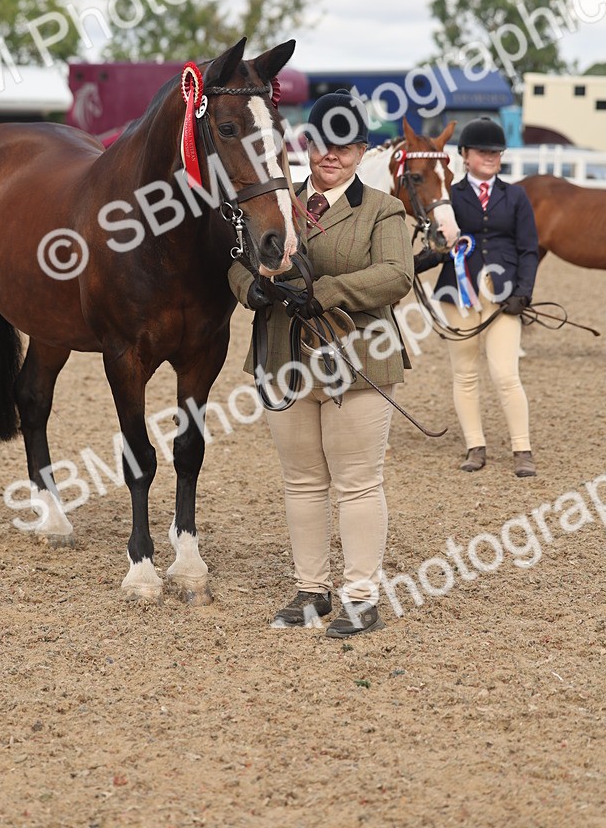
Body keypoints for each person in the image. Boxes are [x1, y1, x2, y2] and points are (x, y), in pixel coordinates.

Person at [228, 89, 413, 636]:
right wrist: (249, 290)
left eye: (345, 148)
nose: (331, 157)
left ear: (361, 152)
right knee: (302, 480)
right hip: (284, 355)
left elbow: (396, 275)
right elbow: (237, 262)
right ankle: (311, 590)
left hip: (357, 359)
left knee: (357, 481)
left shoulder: (383, 208)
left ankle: (360, 596)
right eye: (322, 145)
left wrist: (328, 291)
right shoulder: (274, 200)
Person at [414, 117, 540, 478]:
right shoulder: (450, 195)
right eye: (483, 151)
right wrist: (408, 267)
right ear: (465, 155)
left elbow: (528, 249)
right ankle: (475, 445)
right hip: (458, 293)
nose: (491, 156)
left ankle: (522, 448)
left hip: (503, 299)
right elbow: (441, 247)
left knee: (505, 374)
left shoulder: (515, 196)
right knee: (465, 373)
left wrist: (524, 293)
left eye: (496, 152)